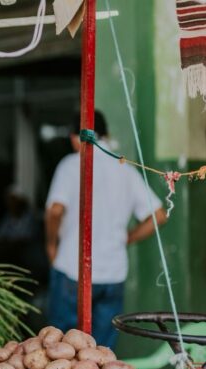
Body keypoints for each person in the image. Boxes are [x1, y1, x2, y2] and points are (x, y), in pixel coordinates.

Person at [45, 111, 167, 348]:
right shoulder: (125, 169)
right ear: (107, 134)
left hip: (73, 269)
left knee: (61, 351)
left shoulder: (71, 164)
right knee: (100, 356)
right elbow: (159, 215)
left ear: (74, 137)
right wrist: (127, 239)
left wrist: (51, 245)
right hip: (113, 273)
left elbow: (56, 210)